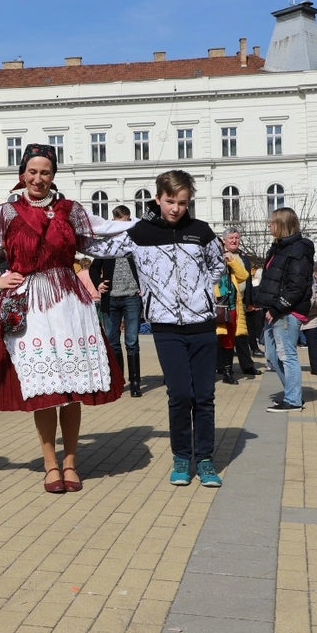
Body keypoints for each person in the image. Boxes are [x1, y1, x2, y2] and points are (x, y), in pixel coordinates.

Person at [0, 145, 130, 494]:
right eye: (32, 172)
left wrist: (153, 229)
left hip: (69, 303)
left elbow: (103, 234)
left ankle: (71, 463)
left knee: (73, 391)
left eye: (45, 172)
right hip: (30, 304)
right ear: (22, 174)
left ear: (53, 176)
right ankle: (51, 463)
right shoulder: (6, 212)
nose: (38, 179)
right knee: (46, 390)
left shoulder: (70, 210)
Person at [84, 170, 226, 487]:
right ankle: (181, 458)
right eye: (170, 201)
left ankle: (204, 459)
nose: (176, 208)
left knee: (204, 396)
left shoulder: (201, 231)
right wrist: (63, 227)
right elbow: (99, 248)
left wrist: (200, 291)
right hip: (165, 327)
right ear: (158, 198)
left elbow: (217, 265)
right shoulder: (140, 233)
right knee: (180, 394)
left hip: (202, 325)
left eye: (183, 202)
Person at [255, 208, 314, 412]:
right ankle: (293, 394)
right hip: (274, 310)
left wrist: (278, 307)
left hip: (287, 312)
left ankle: (293, 399)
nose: (269, 225)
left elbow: (296, 286)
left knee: (287, 355)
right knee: (272, 356)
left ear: (282, 224)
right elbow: (271, 281)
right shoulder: (278, 247)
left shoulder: (298, 249)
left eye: (272, 222)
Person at [88, 205, 145, 397]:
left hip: (131, 297)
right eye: (118, 225)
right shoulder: (107, 244)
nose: (121, 229)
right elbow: (93, 268)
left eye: (125, 224)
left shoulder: (135, 243)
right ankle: (119, 382)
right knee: (113, 342)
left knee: (132, 341)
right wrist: (98, 284)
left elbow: (146, 266)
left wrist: (143, 286)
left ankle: (135, 383)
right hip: (110, 299)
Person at [222, 229, 261, 379]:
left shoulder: (244, 257)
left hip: (242, 301)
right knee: (225, 336)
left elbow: (248, 281)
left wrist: (249, 301)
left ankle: (247, 365)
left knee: (242, 335)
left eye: (237, 238)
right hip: (225, 302)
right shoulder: (221, 256)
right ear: (224, 240)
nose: (234, 241)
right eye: (231, 238)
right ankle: (223, 367)